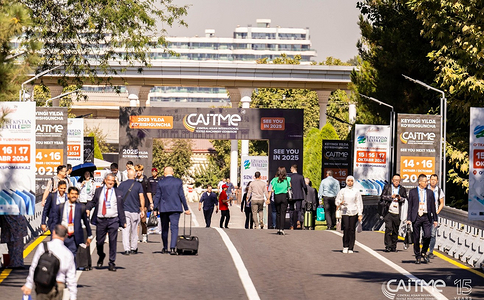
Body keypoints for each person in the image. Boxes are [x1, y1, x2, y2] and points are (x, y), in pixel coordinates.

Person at [21, 225, 77, 300]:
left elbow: (34, 266)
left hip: (43, 283)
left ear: (53, 232)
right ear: (65, 236)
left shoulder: (43, 247)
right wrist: (73, 296)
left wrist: (29, 284)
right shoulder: (68, 253)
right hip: (59, 285)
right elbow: (71, 277)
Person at [86, 173, 127, 271]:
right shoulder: (98, 191)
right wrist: (88, 208)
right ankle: (101, 255)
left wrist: (123, 221)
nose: (111, 182)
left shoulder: (118, 192)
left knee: (113, 241)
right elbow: (93, 202)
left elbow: (121, 208)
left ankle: (111, 262)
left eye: (113, 181)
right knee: (99, 242)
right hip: (101, 220)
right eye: (109, 180)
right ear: (105, 180)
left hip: (113, 220)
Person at [154, 167, 191, 255]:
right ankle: (173, 248)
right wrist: (186, 208)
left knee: (164, 228)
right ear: (173, 173)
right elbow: (182, 195)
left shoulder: (161, 182)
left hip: (164, 209)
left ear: (164, 173)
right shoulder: (178, 182)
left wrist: (155, 208)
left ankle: (165, 247)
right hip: (175, 208)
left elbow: (157, 196)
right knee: (174, 228)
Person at [407, 174, 438, 264]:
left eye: (426, 181)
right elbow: (410, 206)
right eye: (425, 181)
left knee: (428, 235)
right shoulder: (412, 192)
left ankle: (424, 252)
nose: (426, 183)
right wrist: (409, 218)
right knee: (416, 237)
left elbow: (433, 207)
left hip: (426, 216)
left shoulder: (429, 193)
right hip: (416, 216)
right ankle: (417, 256)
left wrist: (435, 219)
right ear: (420, 182)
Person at [56, 187, 93, 260]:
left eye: (76, 194)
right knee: (61, 257)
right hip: (62, 235)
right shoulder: (60, 207)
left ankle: (72, 270)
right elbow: (55, 222)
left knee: (72, 256)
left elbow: (86, 222)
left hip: (74, 236)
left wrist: (89, 235)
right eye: (72, 194)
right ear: (68, 195)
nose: (74, 196)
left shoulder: (81, 207)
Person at [118, 169, 145, 255]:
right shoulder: (138, 185)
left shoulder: (122, 185)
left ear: (127, 176)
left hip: (124, 211)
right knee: (134, 230)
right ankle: (133, 247)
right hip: (135, 211)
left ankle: (126, 249)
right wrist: (142, 209)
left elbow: (118, 197)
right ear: (134, 176)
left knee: (125, 231)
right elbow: (141, 197)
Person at [335, 176, 363, 253]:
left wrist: (360, 214)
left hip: (354, 211)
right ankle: (345, 245)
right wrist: (340, 203)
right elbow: (337, 200)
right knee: (346, 228)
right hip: (345, 211)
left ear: (353, 182)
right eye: (348, 181)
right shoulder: (342, 191)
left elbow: (359, 203)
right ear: (346, 182)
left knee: (352, 229)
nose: (350, 182)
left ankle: (351, 247)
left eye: (351, 181)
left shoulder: (356, 191)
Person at [380, 174, 407, 252]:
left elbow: (405, 199)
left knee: (395, 230)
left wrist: (400, 198)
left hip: (398, 212)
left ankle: (393, 245)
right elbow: (382, 197)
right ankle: (388, 245)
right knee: (388, 228)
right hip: (388, 211)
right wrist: (390, 197)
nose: (396, 182)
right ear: (392, 180)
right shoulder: (387, 187)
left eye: (398, 181)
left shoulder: (402, 189)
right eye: (395, 180)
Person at [268, 166, 291, 235]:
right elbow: (289, 187)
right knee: (283, 213)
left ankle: (278, 228)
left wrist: (268, 198)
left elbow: (271, 189)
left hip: (277, 197)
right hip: (284, 197)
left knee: (278, 212)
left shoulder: (274, 180)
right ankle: (282, 228)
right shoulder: (288, 179)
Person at [135, 164, 153, 243]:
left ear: (142, 171)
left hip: (144, 203)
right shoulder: (134, 180)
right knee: (136, 221)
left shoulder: (146, 180)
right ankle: (136, 237)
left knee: (143, 220)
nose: (138, 172)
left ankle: (144, 235)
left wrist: (151, 202)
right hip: (135, 202)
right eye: (136, 171)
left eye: (139, 171)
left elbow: (149, 192)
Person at [427, 174, 445, 259]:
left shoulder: (439, 190)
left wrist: (437, 211)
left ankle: (430, 251)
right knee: (425, 234)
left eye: (435, 180)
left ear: (437, 181)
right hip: (425, 214)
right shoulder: (425, 189)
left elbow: (442, 203)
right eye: (432, 179)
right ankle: (424, 249)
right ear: (429, 180)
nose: (433, 181)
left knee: (433, 234)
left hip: (434, 215)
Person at [287, 164, 307, 230]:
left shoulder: (290, 177)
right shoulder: (301, 177)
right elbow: (304, 186)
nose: (290, 170)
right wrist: (306, 192)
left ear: (293, 169)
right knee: (299, 209)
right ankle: (298, 220)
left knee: (291, 210)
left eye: (291, 169)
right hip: (299, 195)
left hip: (291, 195)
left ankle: (291, 224)